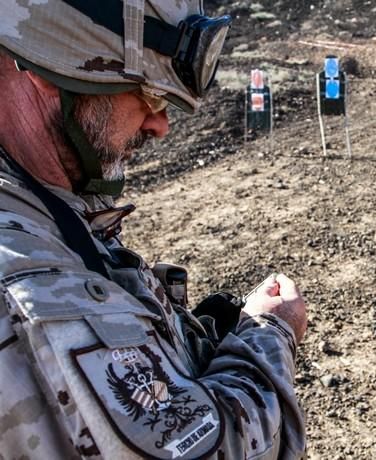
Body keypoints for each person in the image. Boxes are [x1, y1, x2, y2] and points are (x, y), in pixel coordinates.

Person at [0, 1, 307, 459]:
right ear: (56, 63)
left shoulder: (44, 200)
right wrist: (269, 334)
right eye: (149, 94)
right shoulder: (27, 283)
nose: (160, 125)